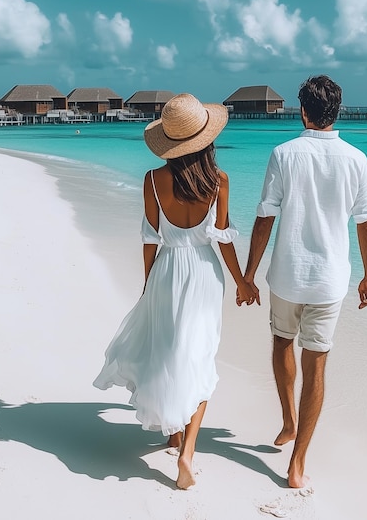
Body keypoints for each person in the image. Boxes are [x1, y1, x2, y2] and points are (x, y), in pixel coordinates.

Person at [94, 93, 255, 489]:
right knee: (198, 355)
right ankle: (185, 453)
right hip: (203, 273)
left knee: (168, 349)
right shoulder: (219, 181)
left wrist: (148, 285)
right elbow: (223, 240)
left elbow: (150, 240)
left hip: (167, 270)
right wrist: (242, 281)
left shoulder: (152, 180)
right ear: (206, 138)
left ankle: (173, 434)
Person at [242, 75, 367, 488]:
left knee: (282, 342)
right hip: (330, 280)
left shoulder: (284, 154)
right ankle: (297, 463)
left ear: (302, 111)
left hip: (286, 275)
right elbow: (365, 224)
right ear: (337, 111)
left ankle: (288, 421)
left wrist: (248, 274)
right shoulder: (357, 159)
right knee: (316, 364)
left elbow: (265, 217)